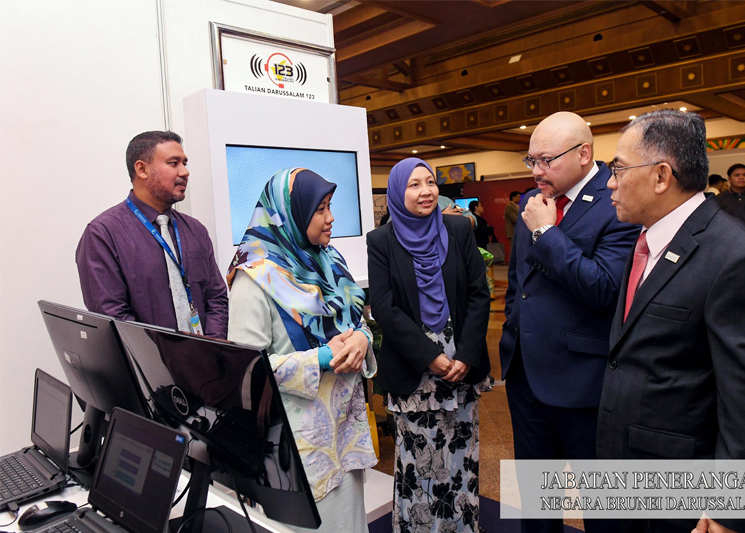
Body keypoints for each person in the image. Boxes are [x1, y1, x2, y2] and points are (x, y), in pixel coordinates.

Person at [598, 109, 745, 533]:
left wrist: (729, 508)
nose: (610, 182)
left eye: (618, 169)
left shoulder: (739, 259)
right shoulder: (646, 239)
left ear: (661, 176)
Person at [500, 111, 639, 533]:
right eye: (531, 161)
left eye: (546, 160)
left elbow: (604, 289)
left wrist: (547, 234)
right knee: (537, 505)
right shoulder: (531, 202)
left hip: (584, 379)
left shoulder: (617, 200)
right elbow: (517, 282)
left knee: (602, 509)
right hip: (525, 374)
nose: (537, 171)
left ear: (584, 153)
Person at [227, 168, 377, 533]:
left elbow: (355, 322)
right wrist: (322, 358)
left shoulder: (328, 261)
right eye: (321, 209)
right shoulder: (255, 277)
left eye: (330, 206)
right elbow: (246, 370)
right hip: (297, 447)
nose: (331, 218)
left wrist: (362, 339)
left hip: (342, 433)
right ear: (290, 214)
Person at [367, 157, 492, 533]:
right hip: (415, 367)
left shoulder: (457, 229)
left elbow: (478, 294)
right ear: (396, 192)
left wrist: (466, 356)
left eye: (430, 183)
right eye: (414, 185)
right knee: (420, 463)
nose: (426, 192)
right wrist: (430, 357)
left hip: (461, 361)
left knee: (460, 459)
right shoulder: (381, 240)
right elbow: (385, 309)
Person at [76, 130, 228, 338]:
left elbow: (216, 298)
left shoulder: (195, 230)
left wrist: (212, 346)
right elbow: (112, 316)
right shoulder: (103, 234)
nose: (184, 172)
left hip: (204, 363)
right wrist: (165, 360)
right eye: (173, 163)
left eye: (185, 163)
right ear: (142, 169)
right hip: (147, 366)